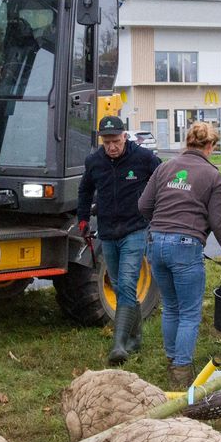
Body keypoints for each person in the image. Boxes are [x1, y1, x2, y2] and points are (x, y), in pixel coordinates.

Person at [138, 121, 221, 389]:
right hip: (186, 246)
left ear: (187, 142)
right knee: (189, 313)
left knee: (171, 307)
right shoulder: (212, 176)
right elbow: (218, 220)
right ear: (210, 146)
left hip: (155, 242)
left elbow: (144, 205)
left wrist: (163, 224)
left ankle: (171, 359)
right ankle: (181, 372)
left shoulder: (164, 167)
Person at [77, 115, 163, 365]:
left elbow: (163, 180)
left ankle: (119, 345)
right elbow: (84, 190)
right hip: (107, 232)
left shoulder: (144, 159)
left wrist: (157, 211)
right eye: (106, 142)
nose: (112, 147)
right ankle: (135, 336)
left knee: (126, 283)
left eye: (116, 141)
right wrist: (82, 219)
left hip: (135, 230)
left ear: (125, 136)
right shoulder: (94, 161)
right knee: (119, 286)